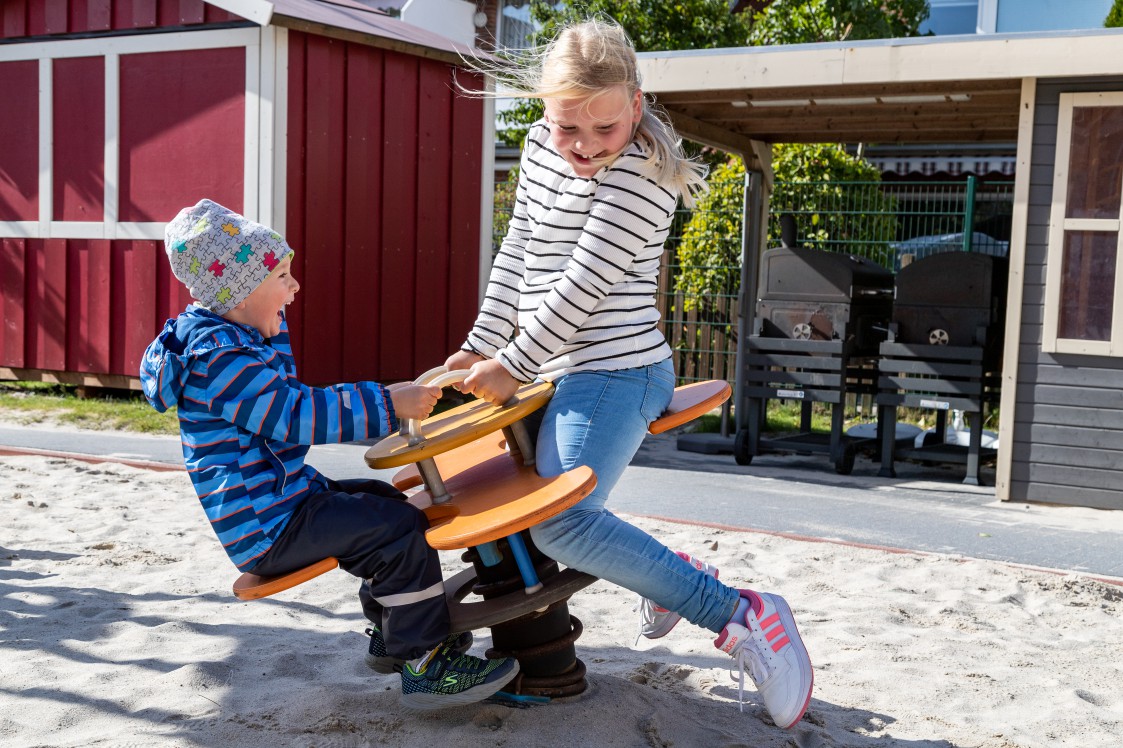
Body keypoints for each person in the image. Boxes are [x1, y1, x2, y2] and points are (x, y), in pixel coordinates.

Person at [448, 19, 813, 728]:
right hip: (546, 369)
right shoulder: (536, 148)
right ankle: (670, 576)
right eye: (565, 129)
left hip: (616, 370)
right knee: (501, 503)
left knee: (558, 522)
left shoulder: (641, 171)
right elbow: (518, 248)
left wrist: (512, 363)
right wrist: (478, 345)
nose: (583, 147)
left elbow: (582, 286)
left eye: (603, 129)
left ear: (635, 106)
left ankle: (742, 615)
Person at [139, 199, 518, 710]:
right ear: (241, 289)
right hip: (268, 523)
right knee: (396, 531)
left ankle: (393, 630)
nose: (294, 286)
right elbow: (294, 415)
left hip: (281, 503)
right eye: (282, 275)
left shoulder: (237, 337)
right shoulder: (218, 359)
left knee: (384, 502)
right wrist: (387, 403)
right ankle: (426, 663)